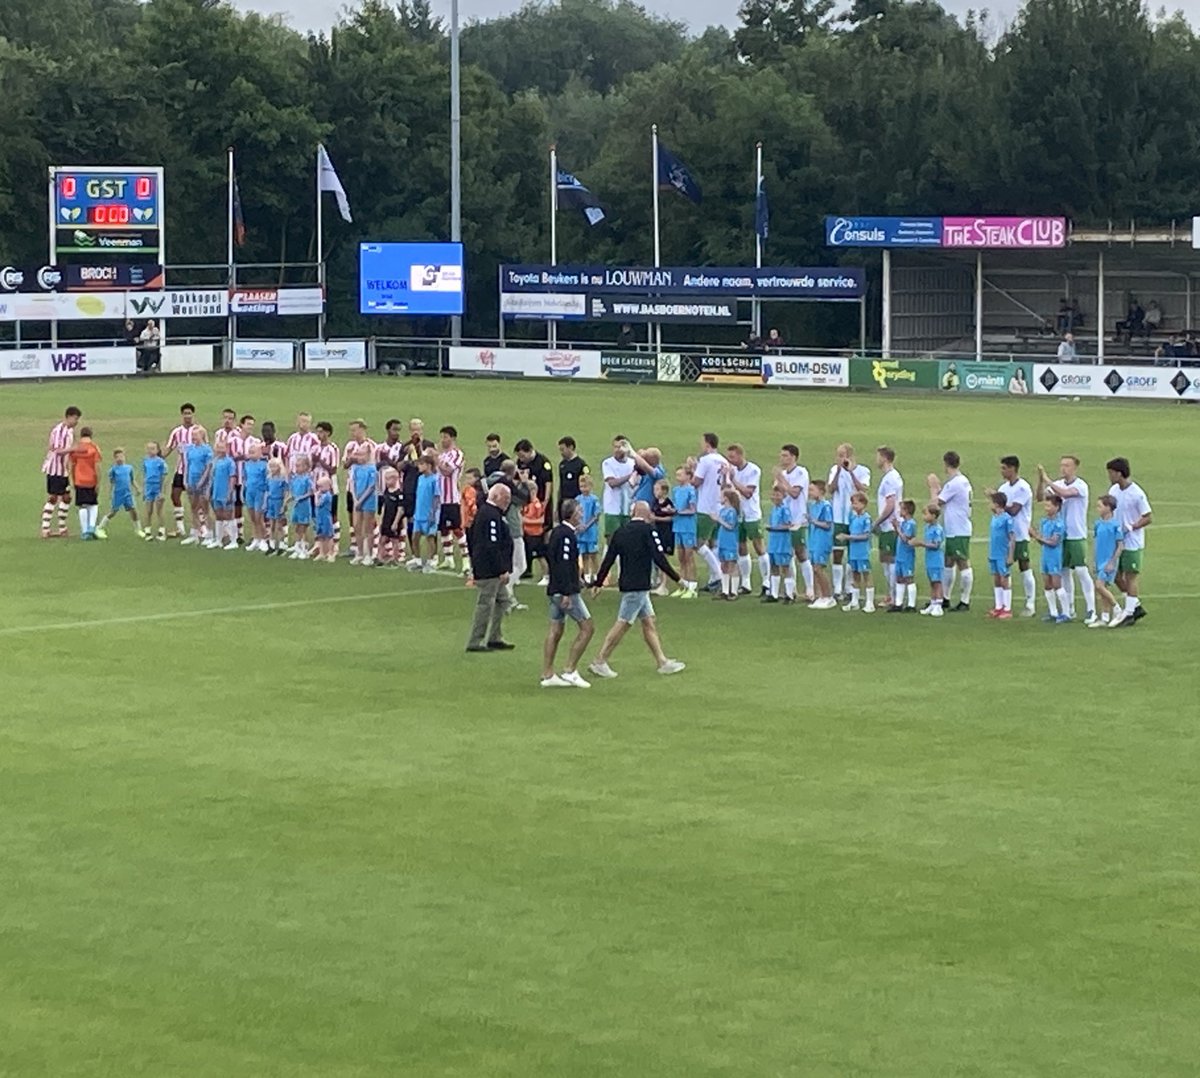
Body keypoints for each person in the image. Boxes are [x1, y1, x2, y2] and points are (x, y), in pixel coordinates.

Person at [587, 502, 685, 678]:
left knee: (649, 621)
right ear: (646, 513)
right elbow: (659, 558)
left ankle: (662, 661)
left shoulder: (620, 532)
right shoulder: (648, 531)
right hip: (639, 586)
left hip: (628, 583)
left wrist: (598, 582)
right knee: (623, 623)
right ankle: (600, 661)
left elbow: (608, 559)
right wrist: (677, 578)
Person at [540, 498, 594, 688]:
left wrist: (577, 579)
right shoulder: (566, 535)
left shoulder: (559, 533)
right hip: (564, 592)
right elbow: (563, 564)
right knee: (587, 627)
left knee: (555, 629)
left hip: (555, 589)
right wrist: (567, 592)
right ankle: (570, 670)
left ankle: (547, 674)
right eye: (579, 511)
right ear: (571, 514)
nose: (581, 514)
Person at [1037, 455, 1096, 624]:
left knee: (1081, 571)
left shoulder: (1080, 485)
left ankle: (1091, 608)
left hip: (1076, 534)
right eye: (1062, 465)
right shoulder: (1058, 483)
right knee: (1063, 572)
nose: (1063, 468)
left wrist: (1047, 479)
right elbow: (1041, 497)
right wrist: (1041, 481)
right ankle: (1068, 609)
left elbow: (1064, 494)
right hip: (1061, 535)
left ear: (1075, 468)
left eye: (1067, 465)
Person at [466, 483, 515, 653]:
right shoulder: (491, 515)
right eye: (506, 498)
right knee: (486, 604)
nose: (508, 502)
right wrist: (501, 569)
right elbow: (491, 545)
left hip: (488, 566)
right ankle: (476, 640)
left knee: (503, 600)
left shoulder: (489, 513)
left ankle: (495, 637)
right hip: (490, 569)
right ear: (495, 497)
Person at [1105, 456, 1152, 626]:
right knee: (1115, 575)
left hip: (1132, 542)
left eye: (1111, 473)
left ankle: (1130, 612)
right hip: (1117, 541)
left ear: (1119, 473)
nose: (1109, 476)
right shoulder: (1114, 491)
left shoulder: (1137, 493)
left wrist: (1131, 526)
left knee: (1131, 577)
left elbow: (1147, 517)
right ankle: (1135, 605)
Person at [927, 451, 974, 611]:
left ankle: (964, 601)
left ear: (946, 464)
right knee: (948, 562)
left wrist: (933, 487)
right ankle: (945, 597)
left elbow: (935, 504)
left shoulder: (955, 483)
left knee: (962, 562)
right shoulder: (961, 481)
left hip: (958, 529)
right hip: (955, 528)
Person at [993, 455, 1036, 616]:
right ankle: (1003, 606)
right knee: (1003, 570)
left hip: (1020, 535)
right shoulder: (1003, 488)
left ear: (1013, 469)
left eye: (1004, 468)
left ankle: (1030, 604)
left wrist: (998, 503)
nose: (1002, 471)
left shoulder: (1023, 488)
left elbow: (1014, 510)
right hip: (1005, 536)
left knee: (1024, 567)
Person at [827, 443, 870, 601]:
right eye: (838, 455)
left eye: (842, 455)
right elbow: (830, 489)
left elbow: (863, 489)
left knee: (853, 553)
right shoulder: (834, 470)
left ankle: (850, 587)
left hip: (854, 517)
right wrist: (839, 471)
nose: (839, 458)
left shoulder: (863, 471)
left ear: (850, 456)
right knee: (837, 552)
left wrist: (851, 473)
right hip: (838, 515)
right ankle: (837, 588)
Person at [726, 443, 767, 596]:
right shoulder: (732, 470)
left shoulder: (753, 470)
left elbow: (748, 492)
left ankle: (766, 582)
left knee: (759, 547)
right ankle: (746, 583)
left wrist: (733, 480)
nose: (730, 460)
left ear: (741, 455)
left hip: (752, 514)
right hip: (738, 514)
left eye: (732, 457)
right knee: (741, 547)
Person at [776, 444, 814, 602]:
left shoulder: (801, 472)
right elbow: (779, 494)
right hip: (785, 520)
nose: (782, 458)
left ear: (793, 457)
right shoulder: (783, 474)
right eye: (782, 455)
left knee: (801, 553)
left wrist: (781, 480)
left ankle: (810, 589)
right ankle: (790, 592)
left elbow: (794, 493)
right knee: (787, 555)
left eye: (785, 455)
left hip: (798, 519)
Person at [692, 433, 728, 590]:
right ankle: (714, 579)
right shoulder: (723, 460)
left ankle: (719, 574)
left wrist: (692, 468)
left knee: (698, 543)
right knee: (714, 542)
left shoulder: (705, 461)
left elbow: (696, 481)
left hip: (705, 507)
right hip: (719, 506)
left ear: (707, 444)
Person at [41, 405, 82, 538]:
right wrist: (74, 449)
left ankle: (62, 528)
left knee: (66, 497)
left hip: (63, 470)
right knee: (53, 497)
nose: (76, 422)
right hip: (55, 470)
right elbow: (58, 451)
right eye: (75, 418)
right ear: (69, 417)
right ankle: (45, 529)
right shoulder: (60, 431)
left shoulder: (70, 431)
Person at [1030, 493, 1069, 623]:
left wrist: (1037, 536)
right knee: (1047, 584)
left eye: (1049, 505)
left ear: (1057, 507)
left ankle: (1066, 613)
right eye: (1045, 505)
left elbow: (1054, 542)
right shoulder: (1044, 521)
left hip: (1054, 556)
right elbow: (1043, 541)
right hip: (1045, 556)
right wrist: (1036, 536)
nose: (1046, 508)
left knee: (1057, 584)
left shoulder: (1059, 524)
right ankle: (1053, 612)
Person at [873, 446, 903, 605]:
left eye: (878, 456)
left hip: (889, 526)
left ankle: (893, 596)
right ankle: (892, 595)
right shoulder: (892, 476)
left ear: (884, 458)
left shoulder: (890, 478)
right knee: (887, 560)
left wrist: (877, 521)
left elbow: (890, 504)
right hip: (890, 526)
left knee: (889, 560)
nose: (876, 459)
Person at [435, 425, 468, 572]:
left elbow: (447, 471)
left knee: (456, 528)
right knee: (443, 529)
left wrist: (436, 459)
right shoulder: (442, 455)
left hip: (452, 498)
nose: (443, 440)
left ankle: (466, 560)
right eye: (442, 437)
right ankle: (449, 559)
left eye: (445, 437)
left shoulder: (457, 454)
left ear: (453, 438)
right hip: (440, 498)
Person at [1091, 494, 1126, 628]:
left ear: (1108, 508)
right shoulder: (1098, 524)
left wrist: (1112, 562)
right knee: (1102, 590)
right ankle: (1104, 617)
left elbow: (1120, 545)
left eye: (1100, 506)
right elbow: (1096, 543)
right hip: (1100, 560)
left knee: (1099, 585)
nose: (1097, 508)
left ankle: (1117, 610)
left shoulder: (1115, 525)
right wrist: (1094, 561)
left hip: (1108, 561)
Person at [164, 403, 196, 538]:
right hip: (181, 469)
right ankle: (180, 528)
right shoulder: (177, 432)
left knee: (196, 499)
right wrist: (158, 459)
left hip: (194, 471)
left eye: (190, 413)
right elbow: (169, 447)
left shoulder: (198, 430)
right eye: (185, 413)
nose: (187, 416)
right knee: (175, 495)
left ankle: (201, 527)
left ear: (193, 414)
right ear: (182, 415)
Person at [600, 435, 636, 551]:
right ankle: (607, 567)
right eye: (615, 447)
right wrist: (630, 475)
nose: (617, 449)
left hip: (628, 508)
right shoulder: (608, 463)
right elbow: (612, 483)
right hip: (612, 508)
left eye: (620, 447)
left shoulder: (633, 463)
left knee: (628, 541)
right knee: (612, 540)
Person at [68, 427, 103, 540]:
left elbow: (72, 466)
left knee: (82, 505)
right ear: (91, 435)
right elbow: (97, 466)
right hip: (91, 479)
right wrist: (98, 481)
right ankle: (91, 527)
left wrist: (73, 479)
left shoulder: (76, 449)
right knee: (93, 504)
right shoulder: (94, 448)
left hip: (79, 479)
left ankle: (84, 531)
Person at [514, 438, 554, 536]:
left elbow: (548, 482)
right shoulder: (520, 462)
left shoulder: (543, 462)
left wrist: (546, 500)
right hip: (526, 499)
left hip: (540, 498)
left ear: (530, 450)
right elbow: (516, 479)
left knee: (544, 524)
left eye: (523, 456)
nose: (521, 459)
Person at [408, 454, 440, 573]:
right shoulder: (420, 478)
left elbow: (436, 497)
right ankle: (417, 559)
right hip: (419, 514)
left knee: (430, 538)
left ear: (429, 465)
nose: (419, 467)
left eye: (421, 464)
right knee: (415, 537)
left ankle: (432, 561)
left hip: (429, 514)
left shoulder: (435, 479)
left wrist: (432, 513)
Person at [181, 426, 213, 546]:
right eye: (192, 435)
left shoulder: (207, 449)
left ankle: (209, 534)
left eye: (196, 435)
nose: (193, 437)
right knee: (193, 508)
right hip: (191, 480)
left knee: (205, 508)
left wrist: (202, 480)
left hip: (203, 482)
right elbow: (187, 465)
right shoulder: (190, 449)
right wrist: (185, 479)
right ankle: (195, 533)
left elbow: (209, 467)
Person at [669, 465, 698, 598]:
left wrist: (678, 512)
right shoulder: (675, 490)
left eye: (680, 475)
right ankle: (683, 585)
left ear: (688, 476)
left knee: (689, 556)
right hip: (677, 526)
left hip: (688, 527)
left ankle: (692, 586)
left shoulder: (691, 490)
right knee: (681, 557)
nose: (678, 477)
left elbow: (692, 509)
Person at [806, 479, 835, 609]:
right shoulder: (813, 506)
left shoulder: (826, 506)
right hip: (813, 540)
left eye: (812, 490)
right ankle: (821, 596)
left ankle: (828, 596)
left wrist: (813, 521)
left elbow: (828, 524)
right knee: (815, 569)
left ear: (821, 491)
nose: (809, 492)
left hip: (822, 541)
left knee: (819, 568)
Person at [844, 491, 875, 612]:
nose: (853, 506)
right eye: (852, 503)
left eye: (856, 503)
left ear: (863, 504)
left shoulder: (866, 519)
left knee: (866, 575)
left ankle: (869, 603)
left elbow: (865, 536)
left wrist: (848, 537)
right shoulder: (852, 517)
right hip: (853, 551)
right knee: (855, 575)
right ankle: (854, 602)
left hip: (862, 551)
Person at [311, 422, 341, 548]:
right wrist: (313, 462)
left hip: (329, 488)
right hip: (315, 486)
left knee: (332, 515)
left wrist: (320, 461)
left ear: (328, 433)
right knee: (316, 514)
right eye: (318, 432)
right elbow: (311, 467)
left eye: (322, 432)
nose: (319, 435)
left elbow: (333, 469)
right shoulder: (314, 448)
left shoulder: (333, 448)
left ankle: (335, 544)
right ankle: (319, 543)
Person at [987, 491, 1016, 619]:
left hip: (1002, 554)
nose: (989, 504)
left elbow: (1012, 537)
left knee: (1004, 579)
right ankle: (999, 606)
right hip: (993, 553)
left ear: (997, 504)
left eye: (991, 502)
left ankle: (1007, 608)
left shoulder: (1007, 519)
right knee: (996, 578)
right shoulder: (995, 517)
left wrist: (1010, 556)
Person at [763, 488, 795, 603]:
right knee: (774, 567)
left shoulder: (784, 509)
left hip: (783, 543)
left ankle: (789, 594)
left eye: (778, 495)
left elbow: (789, 525)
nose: (775, 497)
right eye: (774, 495)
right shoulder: (774, 509)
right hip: (773, 543)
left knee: (785, 568)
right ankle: (774, 594)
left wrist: (774, 528)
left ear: (783, 496)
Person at [350, 446, 379, 567]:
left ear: (368, 455)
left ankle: (369, 554)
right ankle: (360, 552)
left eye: (362, 455)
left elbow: (371, 487)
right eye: (358, 455)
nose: (359, 458)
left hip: (368, 500)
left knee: (368, 528)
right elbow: (352, 482)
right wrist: (355, 498)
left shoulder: (372, 469)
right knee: (356, 526)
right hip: (357, 499)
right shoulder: (355, 468)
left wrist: (361, 500)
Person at [888, 499, 918, 613]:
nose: (899, 511)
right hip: (900, 555)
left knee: (909, 578)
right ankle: (898, 603)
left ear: (906, 511)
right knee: (899, 578)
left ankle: (911, 605)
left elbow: (906, 538)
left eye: (901, 509)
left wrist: (897, 528)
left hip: (907, 556)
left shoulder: (911, 524)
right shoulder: (904, 523)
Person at [208, 440, 239, 550]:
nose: (220, 450)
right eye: (218, 448)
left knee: (229, 515)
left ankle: (233, 540)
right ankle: (218, 539)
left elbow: (232, 477)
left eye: (222, 448)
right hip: (216, 492)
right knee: (219, 515)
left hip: (225, 491)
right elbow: (212, 477)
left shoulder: (230, 462)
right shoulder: (215, 461)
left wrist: (230, 492)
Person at [916, 504, 946, 617]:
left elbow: (936, 545)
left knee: (937, 582)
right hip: (929, 559)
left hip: (936, 560)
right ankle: (933, 603)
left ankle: (939, 604)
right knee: (932, 582)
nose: (924, 516)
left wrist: (920, 543)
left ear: (933, 516)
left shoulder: (937, 529)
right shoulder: (927, 528)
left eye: (926, 514)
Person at [713, 487, 741, 601]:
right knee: (724, 564)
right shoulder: (723, 510)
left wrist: (718, 520)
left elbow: (731, 526)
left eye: (721, 496)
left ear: (726, 498)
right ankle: (725, 590)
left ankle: (734, 591)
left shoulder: (732, 511)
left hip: (730, 541)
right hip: (723, 540)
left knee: (732, 565)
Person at [285, 454, 314, 559]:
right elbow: (292, 492)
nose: (297, 468)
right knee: (297, 527)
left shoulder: (307, 479)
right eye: (296, 466)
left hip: (304, 506)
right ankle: (297, 548)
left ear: (306, 467)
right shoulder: (294, 479)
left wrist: (301, 497)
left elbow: (311, 492)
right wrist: (288, 500)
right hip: (296, 506)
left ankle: (304, 549)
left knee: (303, 527)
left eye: (299, 466)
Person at [242, 441, 269, 551]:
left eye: (253, 452)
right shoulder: (247, 464)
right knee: (253, 517)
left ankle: (263, 539)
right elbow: (245, 478)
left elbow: (266, 480)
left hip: (260, 492)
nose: (251, 454)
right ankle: (256, 538)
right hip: (250, 492)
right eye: (250, 452)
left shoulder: (264, 465)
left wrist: (266, 494)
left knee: (259, 517)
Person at [576, 474, 602, 586]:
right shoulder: (578, 499)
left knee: (593, 554)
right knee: (584, 554)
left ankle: (596, 576)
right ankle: (586, 577)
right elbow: (575, 514)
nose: (583, 489)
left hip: (591, 532)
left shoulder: (594, 499)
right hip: (581, 533)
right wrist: (579, 525)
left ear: (591, 486)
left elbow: (596, 515)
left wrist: (586, 525)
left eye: (585, 486)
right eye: (581, 486)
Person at [521, 481, 548, 586]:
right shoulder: (527, 504)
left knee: (540, 556)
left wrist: (524, 520)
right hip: (528, 533)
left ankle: (546, 576)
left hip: (536, 535)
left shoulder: (536, 505)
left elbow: (541, 520)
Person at [141, 442, 168, 541]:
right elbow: (144, 475)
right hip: (149, 487)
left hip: (157, 486)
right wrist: (144, 490)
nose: (150, 451)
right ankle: (147, 531)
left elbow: (164, 477)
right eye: (148, 448)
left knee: (159, 510)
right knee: (148, 510)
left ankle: (162, 530)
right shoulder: (145, 461)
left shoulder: (161, 462)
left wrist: (162, 492)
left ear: (157, 450)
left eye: (152, 448)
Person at [556, 436, 589, 521]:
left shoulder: (581, 464)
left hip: (576, 501)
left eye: (563, 449)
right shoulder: (562, 464)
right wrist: (558, 505)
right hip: (564, 501)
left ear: (570, 447)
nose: (561, 452)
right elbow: (561, 485)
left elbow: (586, 484)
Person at [378, 467, 405, 566]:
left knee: (394, 540)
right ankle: (380, 557)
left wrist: (396, 522)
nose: (386, 481)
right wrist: (381, 520)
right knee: (382, 539)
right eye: (385, 479)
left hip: (394, 520)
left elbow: (400, 509)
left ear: (395, 479)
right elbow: (384, 507)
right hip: (386, 519)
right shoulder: (386, 492)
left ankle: (395, 558)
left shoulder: (399, 494)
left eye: (388, 479)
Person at [264, 459, 288, 554]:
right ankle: (272, 544)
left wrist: (284, 504)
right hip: (271, 501)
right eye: (271, 467)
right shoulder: (269, 478)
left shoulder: (282, 479)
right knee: (272, 524)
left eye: (275, 466)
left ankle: (282, 544)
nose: (273, 469)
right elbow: (267, 491)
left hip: (278, 501)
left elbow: (286, 492)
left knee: (279, 524)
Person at [314, 476, 336, 562]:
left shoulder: (327, 496)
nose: (319, 489)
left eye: (321, 486)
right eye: (318, 487)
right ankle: (322, 553)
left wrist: (316, 496)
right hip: (319, 517)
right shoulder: (322, 495)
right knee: (320, 535)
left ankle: (331, 553)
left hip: (325, 518)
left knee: (328, 536)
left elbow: (318, 504)